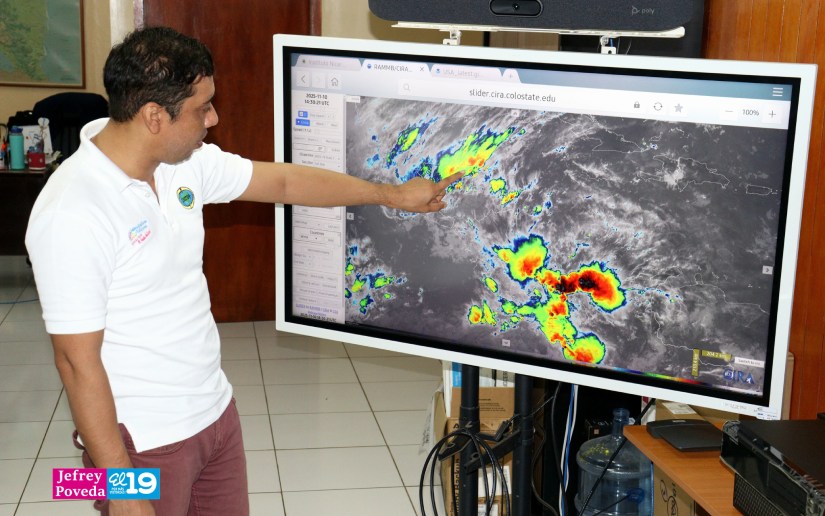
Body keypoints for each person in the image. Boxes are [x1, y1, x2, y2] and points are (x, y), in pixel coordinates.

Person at [25, 26, 460, 516]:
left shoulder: (182, 164)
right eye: (203, 108)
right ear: (154, 117)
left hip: (215, 416)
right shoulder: (71, 211)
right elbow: (75, 362)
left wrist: (391, 195)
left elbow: (284, 181)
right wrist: (119, 487)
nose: (214, 118)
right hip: (140, 442)